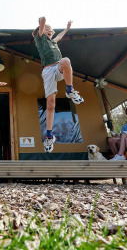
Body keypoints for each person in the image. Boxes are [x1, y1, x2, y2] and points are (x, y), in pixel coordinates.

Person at [33, 17, 84, 153]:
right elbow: (42, 25)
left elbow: (60, 36)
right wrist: (42, 21)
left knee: (66, 60)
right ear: (42, 31)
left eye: (51, 29)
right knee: (50, 104)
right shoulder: (40, 39)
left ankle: (70, 90)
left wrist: (67, 28)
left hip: (58, 68)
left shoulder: (53, 42)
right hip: (48, 71)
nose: (49, 31)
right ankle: (49, 136)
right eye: (47, 29)